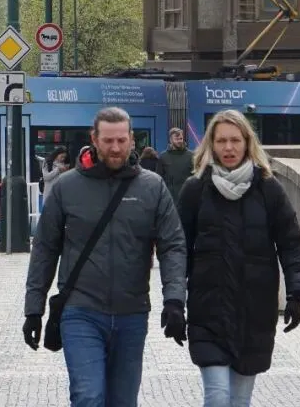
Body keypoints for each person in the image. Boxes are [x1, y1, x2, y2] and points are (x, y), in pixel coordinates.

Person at [23, 107, 188, 407]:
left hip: (132, 312)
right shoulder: (67, 187)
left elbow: (172, 245)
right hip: (80, 310)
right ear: (94, 139)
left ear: (131, 140)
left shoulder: (152, 187)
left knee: (123, 401)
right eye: (108, 141)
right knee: (88, 396)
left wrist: (175, 299)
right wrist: (34, 308)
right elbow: (45, 248)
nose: (115, 148)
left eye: (121, 140)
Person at [176, 109, 300, 407]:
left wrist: (296, 293)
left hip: (254, 312)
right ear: (211, 144)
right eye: (221, 141)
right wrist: (173, 302)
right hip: (208, 311)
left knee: (239, 400)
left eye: (235, 140)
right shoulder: (196, 189)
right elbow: (178, 249)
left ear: (248, 143)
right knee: (218, 396)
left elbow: (291, 243)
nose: (229, 148)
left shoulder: (269, 189)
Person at [157, 127, 193, 203]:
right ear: (170, 140)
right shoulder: (163, 157)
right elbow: (159, 179)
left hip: (188, 198)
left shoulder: (191, 156)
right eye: (176, 139)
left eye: (181, 138)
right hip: (169, 199)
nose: (179, 141)